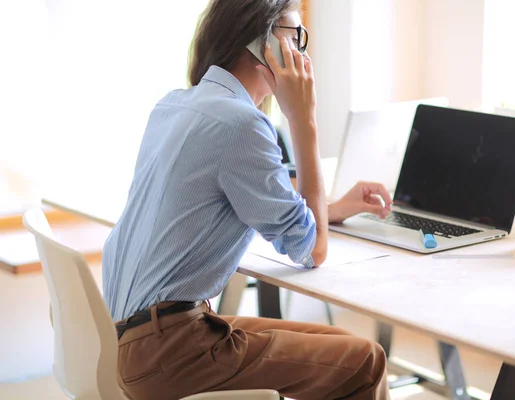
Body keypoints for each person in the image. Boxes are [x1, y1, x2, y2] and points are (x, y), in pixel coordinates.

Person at [101, 0, 393, 399]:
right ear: (263, 45)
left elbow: (251, 187)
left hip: (128, 339)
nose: (304, 55)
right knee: (365, 362)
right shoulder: (243, 124)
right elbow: (313, 250)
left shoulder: (174, 105)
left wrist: (333, 208)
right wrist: (304, 121)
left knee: (342, 346)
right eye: (297, 38)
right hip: (170, 352)